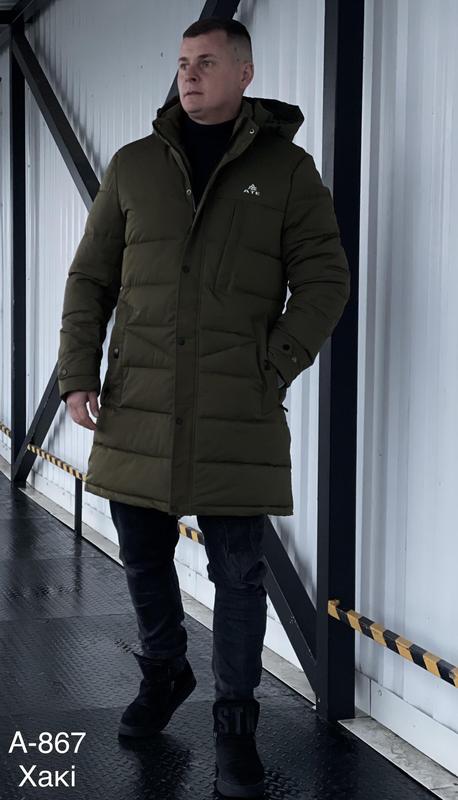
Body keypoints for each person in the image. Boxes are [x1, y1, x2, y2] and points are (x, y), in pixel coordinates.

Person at [57, 16, 350, 799]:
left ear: (244, 74)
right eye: (184, 62)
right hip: (140, 405)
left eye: (207, 62)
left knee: (239, 573)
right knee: (143, 556)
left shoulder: (286, 171)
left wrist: (272, 367)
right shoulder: (134, 166)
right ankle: (164, 671)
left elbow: (324, 279)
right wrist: (77, 373)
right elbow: (90, 278)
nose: (189, 74)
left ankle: (235, 726)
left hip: (235, 410)